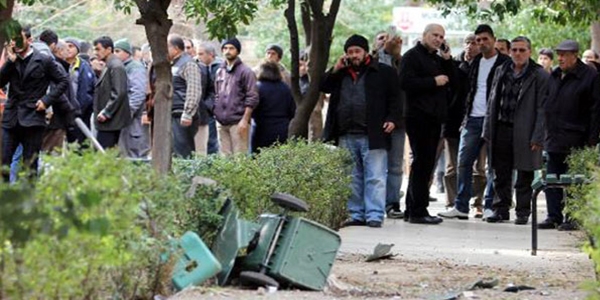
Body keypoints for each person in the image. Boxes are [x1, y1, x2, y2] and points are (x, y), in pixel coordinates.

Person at [322, 34, 401, 228]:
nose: (354, 55)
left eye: (357, 51)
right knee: (352, 177)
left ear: (365, 51)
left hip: (373, 133)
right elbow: (323, 86)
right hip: (346, 133)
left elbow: (396, 100)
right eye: (350, 52)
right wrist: (335, 68)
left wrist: (392, 119)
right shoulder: (340, 73)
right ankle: (355, 213)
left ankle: (374, 214)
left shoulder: (384, 72)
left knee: (375, 176)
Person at [438, 24, 510, 221]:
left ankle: (488, 206)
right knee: (463, 162)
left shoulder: (505, 63)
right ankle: (461, 206)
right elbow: (458, 82)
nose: (481, 43)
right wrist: (447, 59)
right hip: (472, 118)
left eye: (485, 39)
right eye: (478, 40)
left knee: (492, 165)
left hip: (495, 120)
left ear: (494, 39)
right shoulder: (474, 63)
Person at [483, 36, 548, 224]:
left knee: (524, 173)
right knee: (500, 172)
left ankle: (522, 212)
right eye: (515, 50)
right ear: (510, 51)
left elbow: (543, 108)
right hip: (502, 127)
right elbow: (491, 102)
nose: (518, 54)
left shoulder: (539, 74)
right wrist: (487, 129)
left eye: (522, 50)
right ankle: (500, 209)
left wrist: (538, 135)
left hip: (526, 129)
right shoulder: (501, 70)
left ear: (530, 52)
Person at [540, 40, 600, 231]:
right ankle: (553, 215)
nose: (560, 58)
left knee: (575, 179)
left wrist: (592, 138)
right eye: (559, 54)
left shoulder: (590, 76)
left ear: (575, 55)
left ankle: (573, 216)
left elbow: (596, 110)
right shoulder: (556, 74)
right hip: (554, 137)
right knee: (552, 178)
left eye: (564, 54)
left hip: (577, 137)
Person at [400, 24, 456, 224]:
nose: (438, 39)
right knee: (422, 164)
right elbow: (405, 83)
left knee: (423, 165)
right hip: (418, 117)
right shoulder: (411, 57)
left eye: (442, 36)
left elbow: (453, 80)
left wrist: (448, 59)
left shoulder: (437, 59)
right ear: (424, 35)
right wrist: (433, 81)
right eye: (435, 35)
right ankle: (418, 211)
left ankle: (412, 209)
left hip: (434, 118)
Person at [1, 25, 69, 181]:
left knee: (30, 164)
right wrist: (10, 63)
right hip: (11, 118)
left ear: (29, 40)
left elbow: (63, 81)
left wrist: (46, 101)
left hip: (33, 117)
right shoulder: (12, 60)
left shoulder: (44, 59)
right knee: (4, 161)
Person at [442, 33, 486, 212]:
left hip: (478, 120)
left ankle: (478, 203)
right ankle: (453, 202)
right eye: (467, 43)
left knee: (479, 167)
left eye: (474, 43)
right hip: (453, 121)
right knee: (453, 166)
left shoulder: (484, 66)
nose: (470, 46)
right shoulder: (453, 64)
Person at [371, 29, 406, 219]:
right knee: (375, 167)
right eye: (381, 39)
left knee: (395, 166)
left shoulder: (402, 62)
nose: (385, 42)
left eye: (389, 39)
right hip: (373, 122)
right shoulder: (370, 63)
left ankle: (392, 203)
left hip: (398, 122)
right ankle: (374, 204)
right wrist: (385, 51)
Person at [213, 37, 258, 156]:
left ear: (237, 51)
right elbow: (217, 94)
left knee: (240, 158)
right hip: (221, 122)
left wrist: (244, 120)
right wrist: (216, 113)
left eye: (231, 48)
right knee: (225, 159)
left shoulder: (246, 72)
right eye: (225, 48)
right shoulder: (220, 71)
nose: (228, 51)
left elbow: (252, 98)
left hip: (238, 122)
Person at [92, 36, 131, 149]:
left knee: (103, 154)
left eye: (98, 49)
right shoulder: (109, 65)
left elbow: (119, 92)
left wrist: (106, 112)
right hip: (107, 121)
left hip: (111, 121)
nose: (95, 53)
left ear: (109, 49)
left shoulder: (116, 66)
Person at [114, 38, 150, 158]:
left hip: (132, 119)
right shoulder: (120, 67)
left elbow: (138, 92)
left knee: (133, 155)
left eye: (118, 51)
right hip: (121, 119)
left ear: (127, 53)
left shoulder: (135, 67)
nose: (115, 54)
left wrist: (126, 111)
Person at [167, 35, 203, 158]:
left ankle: (188, 177)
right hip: (173, 114)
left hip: (182, 115)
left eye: (167, 47)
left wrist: (188, 113)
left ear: (176, 49)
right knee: (173, 152)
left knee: (183, 152)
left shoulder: (189, 64)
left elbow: (194, 90)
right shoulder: (173, 64)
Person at [252, 61, 295, 152]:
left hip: (262, 128)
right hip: (283, 128)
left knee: (260, 158)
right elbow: (292, 109)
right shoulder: (285, 88)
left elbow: (253, 109)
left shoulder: (258, 87)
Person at [197, 42, 222, 154]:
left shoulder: (220, 67)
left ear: (211, 54)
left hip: (212, 110)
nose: (199, 57)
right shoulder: (199, 66)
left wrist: (208, 105)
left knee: (212, 142)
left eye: (201, 54)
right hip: (203, 109)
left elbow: (216, 90)